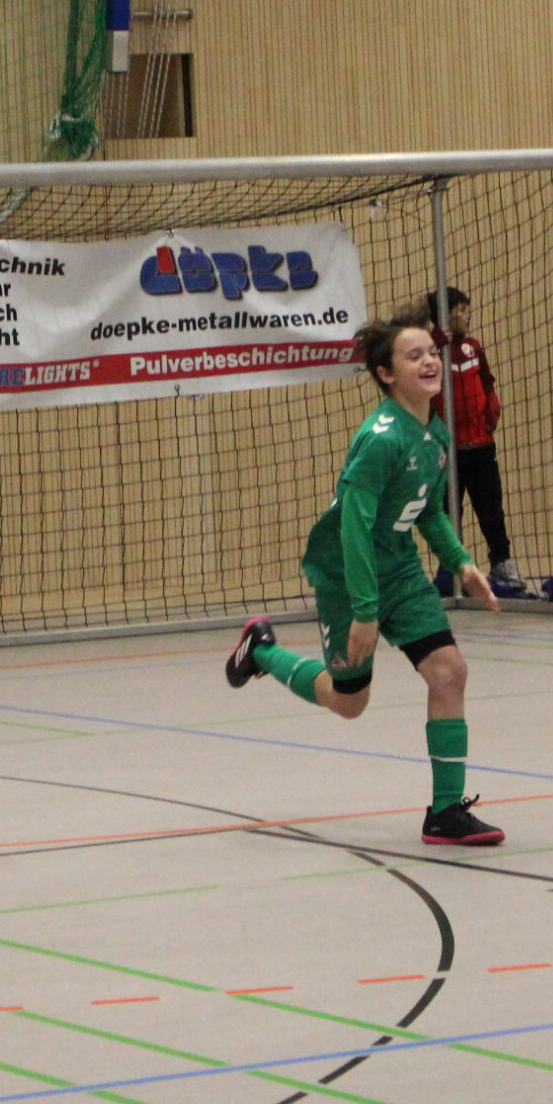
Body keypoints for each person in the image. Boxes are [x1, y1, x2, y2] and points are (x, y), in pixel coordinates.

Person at [224, 318, 504, 848]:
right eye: (413, 355)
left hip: (399, 567)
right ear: (386, 374)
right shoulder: (380, 440)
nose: (429, 361)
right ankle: (261, 650)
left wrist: (462, 563)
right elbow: (353, 527)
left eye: (431, 352)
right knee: (349, 702)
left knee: (450, 672)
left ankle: (445, 812)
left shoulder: (434, 432)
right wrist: (365, 611)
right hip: (348, 574)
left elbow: (427, 510)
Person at [423, 288, 522, 593]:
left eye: (467, 309)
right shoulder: (430, 352)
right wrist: (436, 342)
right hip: (447, 450)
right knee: (449, 512)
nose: (467, 315)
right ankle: (451, 568)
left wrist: (492, 409)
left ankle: (502, 561)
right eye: (460, 311)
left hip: (480, 445)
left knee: (491, 509)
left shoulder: (473, 348)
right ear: (444, 316)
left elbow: (487, 383)